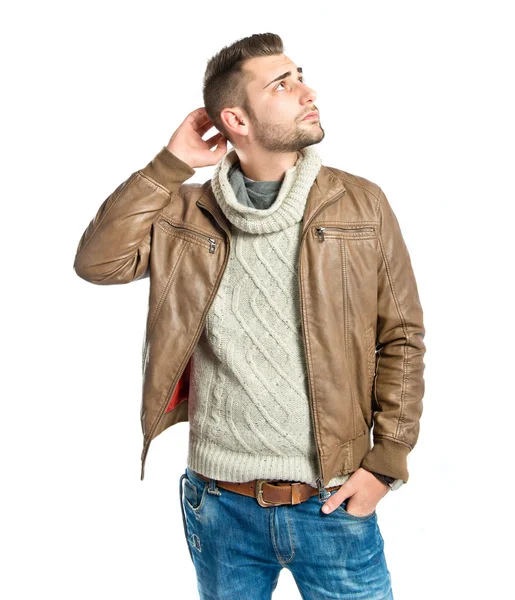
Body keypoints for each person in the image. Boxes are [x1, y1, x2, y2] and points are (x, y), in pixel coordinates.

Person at [74, 32, 426, 600]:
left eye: (300, 76)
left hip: (333, 501)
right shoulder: (186, 213)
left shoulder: (361, 204)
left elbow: (402, 337)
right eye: (281, 85)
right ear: (235, 119)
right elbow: (97, 262)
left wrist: (385, 464)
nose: (306, 91)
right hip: (218, 508)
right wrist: (171, 164)